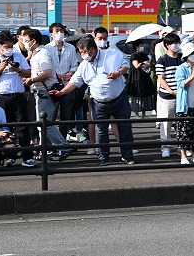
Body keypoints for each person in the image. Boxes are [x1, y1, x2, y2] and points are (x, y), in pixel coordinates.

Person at [49, 35, 134, 166]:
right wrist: (62, 92)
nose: (83, 55)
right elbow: (74, 82)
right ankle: (102, 158)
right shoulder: (83, 65)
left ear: (93, 49)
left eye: (84, 51)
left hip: (118, 98)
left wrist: (118, 73)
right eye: (81, 52)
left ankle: (127, 156)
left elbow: (125, 65)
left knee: (125, 128)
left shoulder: (111, 54)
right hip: (98, 102)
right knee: (101, 130)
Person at [0, 30, 35, 167]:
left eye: (11, 46)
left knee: (23, 128)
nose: (9, 49)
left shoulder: (18, 56)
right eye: (6, 47)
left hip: (19, 96)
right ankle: (9, 156)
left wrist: (17, 70)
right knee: (6, 129)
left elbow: (29, 72)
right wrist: (0, 68)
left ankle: (27, 156)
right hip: (2, 98)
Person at [22, 28, 71, 162]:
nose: (25, 43)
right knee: (42, 125)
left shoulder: (42, 53)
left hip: (45, 92)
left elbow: (47, 72)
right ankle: (46, 151)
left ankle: (63, 146)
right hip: (40, 92)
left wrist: (32, 79)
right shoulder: (35, 53)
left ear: (33, 41)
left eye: (26, 41)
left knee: (45, 125)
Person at [46, 23, 78, 139]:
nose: (60, 33)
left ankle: (63, 142)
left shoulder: (71, 48)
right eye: (57, 31)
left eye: (62, 31)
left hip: (68, 85)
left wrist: (69, 74)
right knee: (51, 116)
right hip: (52, 86)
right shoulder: (47, 49)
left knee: (66, 117)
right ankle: (52, 142)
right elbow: (46, 67)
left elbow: (75, 66)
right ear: (52, 34)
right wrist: (57, 75)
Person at [155, 33, 182, 158]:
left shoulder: (182, 58)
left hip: (182, 96)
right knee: (166, 123)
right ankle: (165, 147)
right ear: (167, 45)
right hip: (167, 96)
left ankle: (182, 147)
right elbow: (161, 78)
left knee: (181, 123)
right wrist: (170, 90)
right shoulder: (162, 59)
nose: (177, 45)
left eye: (178, 42)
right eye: (174, 43)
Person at [126, 39, 155, 118]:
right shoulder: (134, 55)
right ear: (136, 46)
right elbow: (136, 66)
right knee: (137, 95)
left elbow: (149, 64)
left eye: (142, 45)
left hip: (144, 77)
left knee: (145, 94)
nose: (142, 47)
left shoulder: (144, 55)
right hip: (136, 77)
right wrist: (143, 63)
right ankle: (136, 113)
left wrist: (146, 63)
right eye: (140, 45)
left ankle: (144, 114)